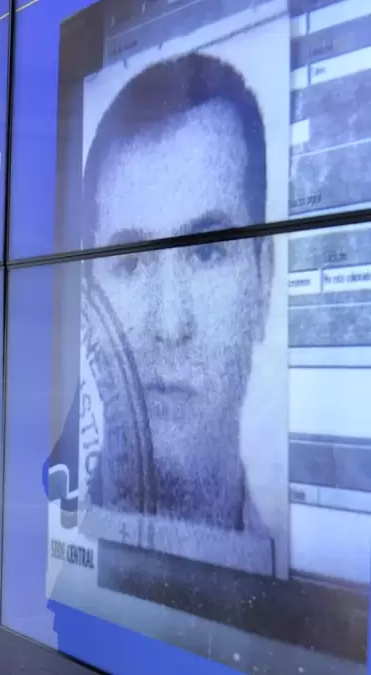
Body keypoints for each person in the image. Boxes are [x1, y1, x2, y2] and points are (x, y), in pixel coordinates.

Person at [47, 51, 276, 647]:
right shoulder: (47, 575)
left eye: (207, 253)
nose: (170, 323)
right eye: (129, 260)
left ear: (264, 279)